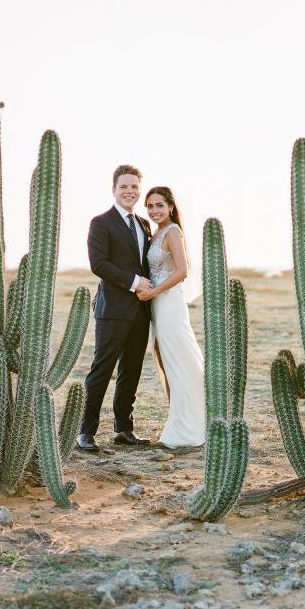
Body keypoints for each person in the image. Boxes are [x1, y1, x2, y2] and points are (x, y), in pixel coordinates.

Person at [77, 165, 153, 451]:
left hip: (141, 311)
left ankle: (124, 429)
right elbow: (98, 264)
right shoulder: (101, 222)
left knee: (131, 371)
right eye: (124, 186)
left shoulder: (144, 224)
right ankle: (85, 431)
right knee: (101, 370)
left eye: (134, 187)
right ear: (114, 189)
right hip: (113, 310)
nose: (129, 191)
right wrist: (135, 282)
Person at [137, 186, 206, 448]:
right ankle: (180, 415)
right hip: (157, 302)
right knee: (165, 356)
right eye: (150, 206)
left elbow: (181, 271)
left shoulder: (173, 232)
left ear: (171, 207)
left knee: (180, 356)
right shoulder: (154, 235)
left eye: (159, 206)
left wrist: (153, 291)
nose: (155, 211)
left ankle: (192, 423)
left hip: (169, 302)